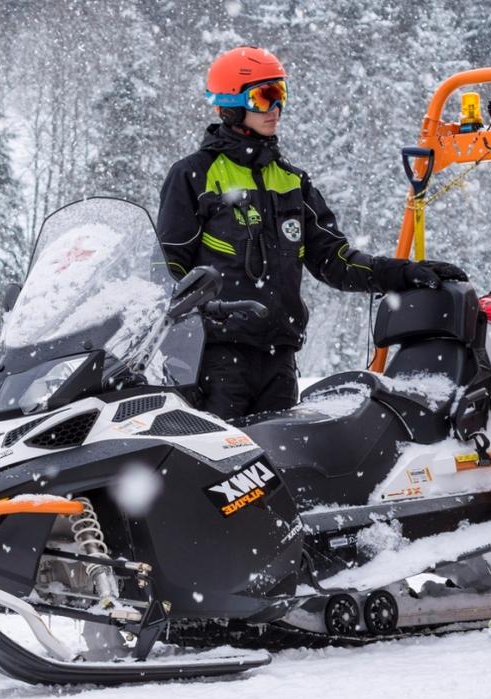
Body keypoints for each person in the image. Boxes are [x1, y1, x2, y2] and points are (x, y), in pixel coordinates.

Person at [157, 45, 467, 420]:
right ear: (231, 104)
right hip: (217, 360)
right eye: (264, 96)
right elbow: (166, 271)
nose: (276, 108)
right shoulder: (195, 176)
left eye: (280, 95)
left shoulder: (292, 181)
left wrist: (402, 273)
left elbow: (335, 261)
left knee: (279, 472)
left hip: (279, 360)